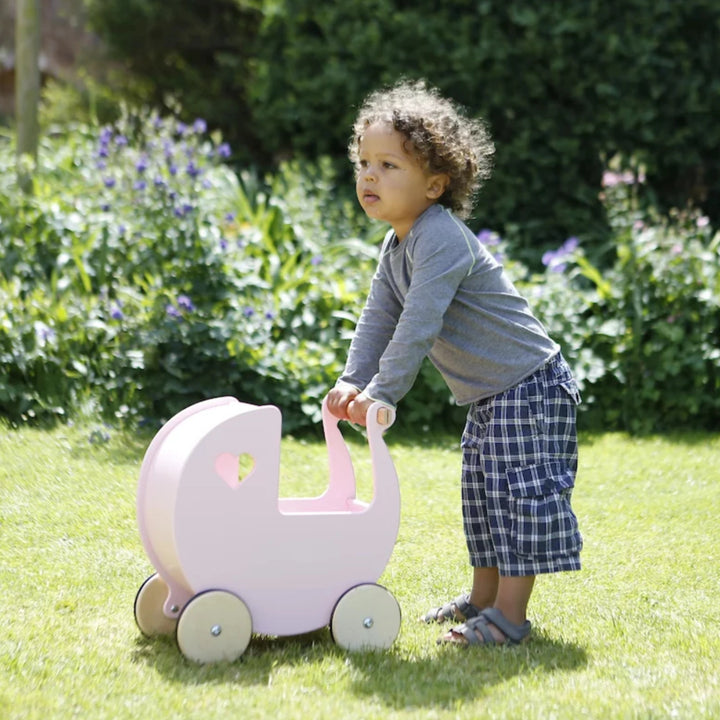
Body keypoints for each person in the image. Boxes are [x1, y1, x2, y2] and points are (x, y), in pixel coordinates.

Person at [325, 79, 582, 647]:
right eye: (364, 162)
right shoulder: (397, 245)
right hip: (490, 394)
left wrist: (384, 392)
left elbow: (419, 323)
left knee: (519, 498)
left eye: (389, 165)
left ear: (435, 185)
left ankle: (509, 620)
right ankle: (483, 600)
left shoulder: (440, 237)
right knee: (483, 498)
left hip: (528, 386)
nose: (369, 175)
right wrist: (352, 381)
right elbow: (378, 320)